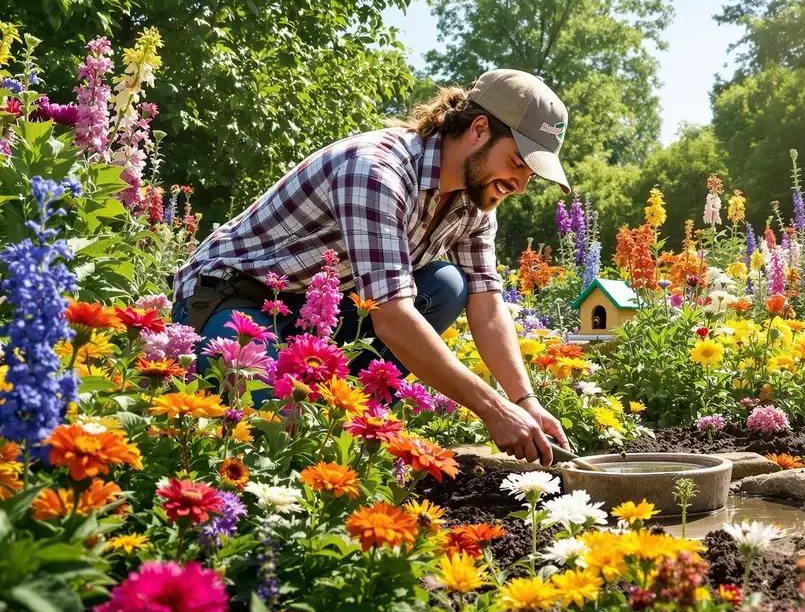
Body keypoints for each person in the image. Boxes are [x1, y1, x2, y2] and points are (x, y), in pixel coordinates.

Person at [171, 69, 570, 466]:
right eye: (516, 163)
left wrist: (525, 400)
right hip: (234, 301)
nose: (519, 185)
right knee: (276, 436)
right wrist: (494, 410)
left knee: (447, 285)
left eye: (529, 175)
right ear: (479, 130)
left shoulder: (474, 199)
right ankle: (320, 423)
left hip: (317, 316)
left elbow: (487, 305)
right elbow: (393, 318)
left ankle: (346, 417)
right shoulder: (377, 171)